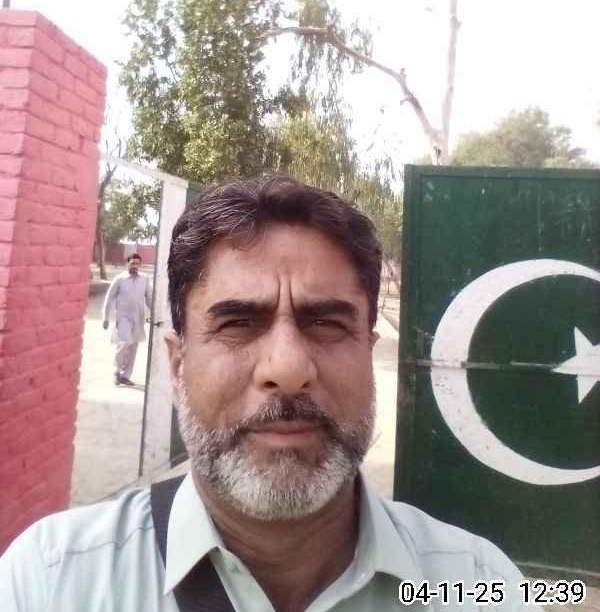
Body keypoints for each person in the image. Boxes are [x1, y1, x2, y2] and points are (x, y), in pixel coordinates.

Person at [0, 177, 528, 611]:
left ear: (368, 353)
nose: (288, 369)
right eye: (238, 323)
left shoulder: (480, 587)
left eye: (326, 323)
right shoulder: (51, 584)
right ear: (177, 364)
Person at [101, 252, 152, 386]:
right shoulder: (120, 279)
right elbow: (109, 298)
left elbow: (149, 298)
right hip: (123, 317)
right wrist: (105, 317)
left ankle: (125, 376)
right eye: (132, 263)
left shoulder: (144, 279)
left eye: (137, 263)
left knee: (134, 346)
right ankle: (116, 371)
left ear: (140, 265)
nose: (134, 265)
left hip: (138, 318)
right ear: (127, 263)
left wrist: (155, 314)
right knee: (125, 341)